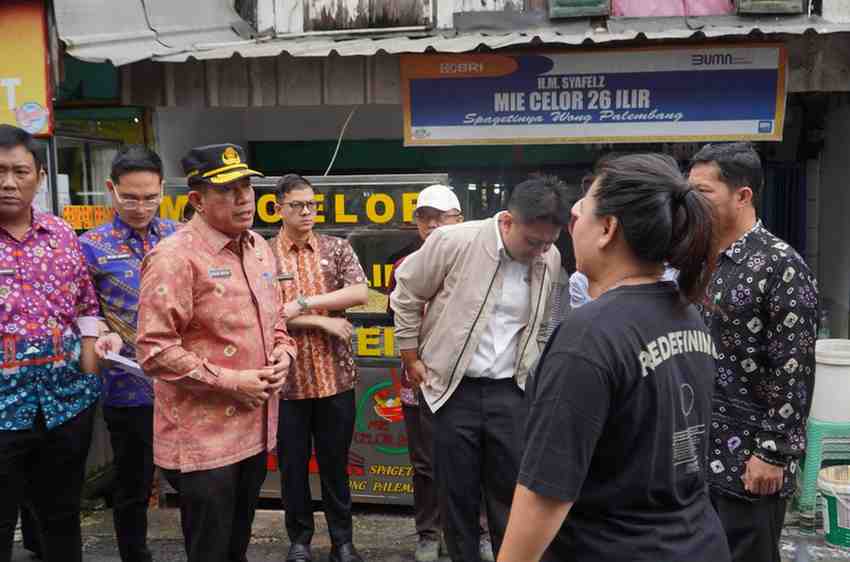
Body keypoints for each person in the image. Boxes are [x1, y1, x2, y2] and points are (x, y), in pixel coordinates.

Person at [499, 153, 730, 562]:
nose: (572, 212)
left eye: (584, 205)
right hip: (696, 542)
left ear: (607, 229)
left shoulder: (589, 334)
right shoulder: (685, 312)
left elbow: (545, 494)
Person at [391, 177, 567, 562]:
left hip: (512, 392)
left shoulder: (549, 258)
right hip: (453, 392)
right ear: (507, 221)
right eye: (532, 242)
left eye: (548, 243)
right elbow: (406, 292)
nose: (540, 251)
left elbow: (543, 323)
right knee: (457, 498)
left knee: (512, 496)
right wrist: (410, 355)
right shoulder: (453, 242)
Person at [136, 144, 296, 562]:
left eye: (247, 187)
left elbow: (275, 316)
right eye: (227, 191)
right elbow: (153, 349)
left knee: (237, 548)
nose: (244, 199)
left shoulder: (259, 246)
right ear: (197, 200)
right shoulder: (174, 258)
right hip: (202, 442)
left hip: (255, 431)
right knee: (210, 551)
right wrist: (230, 381)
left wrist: (284, 352)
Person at [689, 142, 818, 562]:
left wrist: (772, 453)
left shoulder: (781, 265)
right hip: (696, 454)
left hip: (749, 463)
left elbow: (793, 368)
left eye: (704, 192)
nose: (693, 201)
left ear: (742, 195)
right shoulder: (699, 259)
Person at [0, 124, 102, 562]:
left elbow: (85, 302)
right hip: (2, 413)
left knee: (61, 519)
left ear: (40, 175)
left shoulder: (60, 234)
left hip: (64, 405)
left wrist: (90, 366)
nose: (8, 182)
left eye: (19, 171)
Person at [79, 146, 179, 562]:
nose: (141, 207)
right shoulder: (90, 247)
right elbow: (84, 311)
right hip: (127, 388)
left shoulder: (180, 237)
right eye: (130, 197)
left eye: (150, 197)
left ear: (162, 190)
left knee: (194, 482)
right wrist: (100, 332)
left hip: (184, 384)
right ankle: (135, 554)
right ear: (111, 190)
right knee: (132, 484)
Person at [271, 174, 369, 562]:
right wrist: (323, 320)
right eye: (298, 205)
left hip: (335, 380)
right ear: (278, 207)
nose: (307, 212)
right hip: (287, 383)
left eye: (312, 204)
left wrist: (306, 303)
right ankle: (299, 541)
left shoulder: (336, 247)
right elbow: (268, 313)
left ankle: (342, 541)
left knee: (334, 466)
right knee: (292, 468)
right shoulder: (262, 254)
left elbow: (360, 292)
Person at [386, 184, 470, 562]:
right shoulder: (402, 267)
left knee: (472, 459)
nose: (433, 225)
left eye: (442, 217)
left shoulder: (477, 263)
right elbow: (398, 320)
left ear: (459, 221)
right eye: (425, 217)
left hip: (467, 380)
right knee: (424, 462)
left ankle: (475, 530)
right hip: (417, 377)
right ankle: (427, 534)